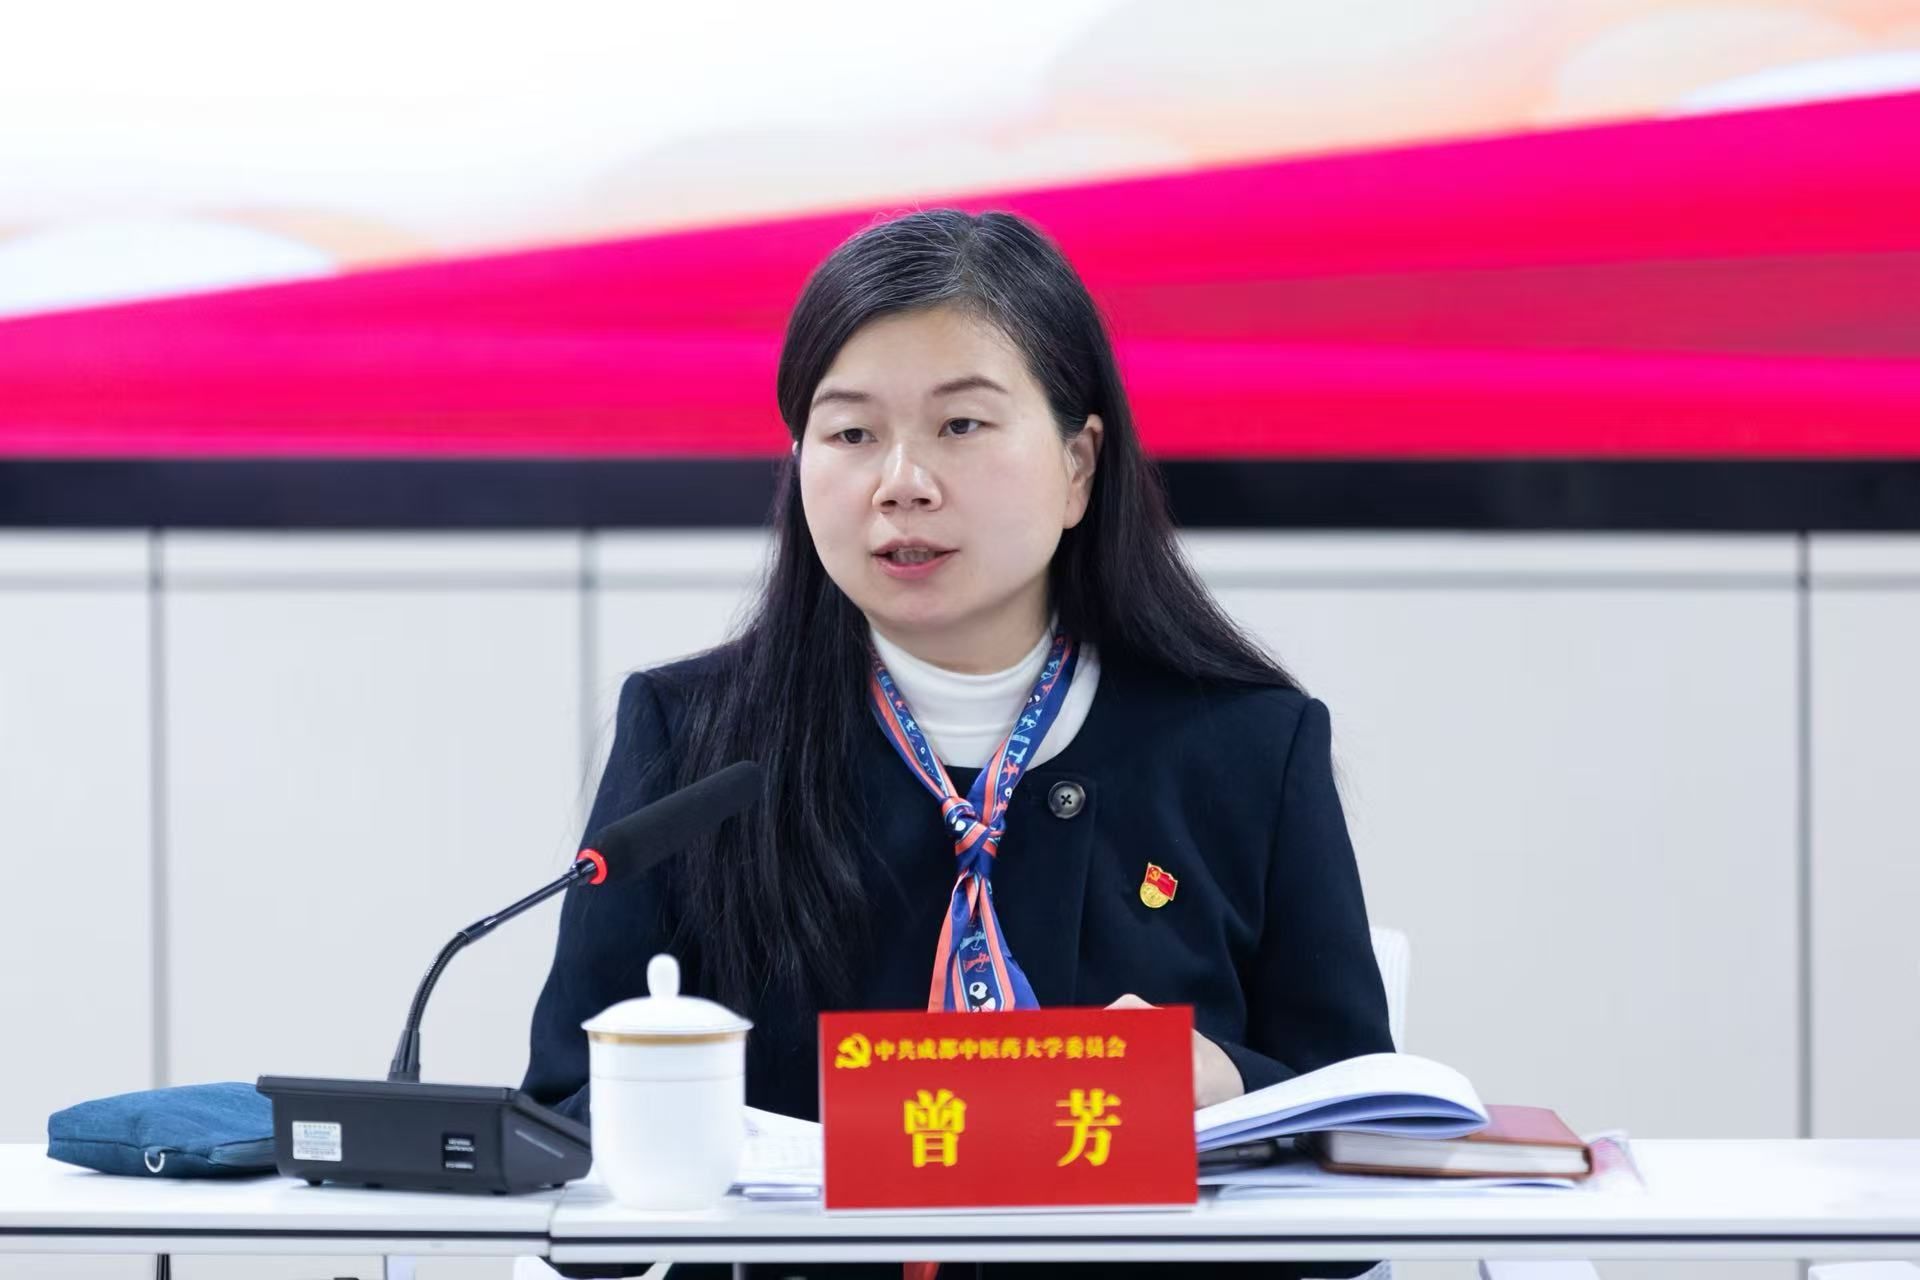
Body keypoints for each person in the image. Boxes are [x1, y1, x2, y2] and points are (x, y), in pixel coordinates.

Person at [523, 208, 1393, 1279]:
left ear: (1078, 465)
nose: (903, 481)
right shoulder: (695, 742)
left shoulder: (1248, 748)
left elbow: (1363, 1167)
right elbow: (560, 1129)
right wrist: (672, 1130)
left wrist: (1231, 1091)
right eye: (851, 434)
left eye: (961, 425)